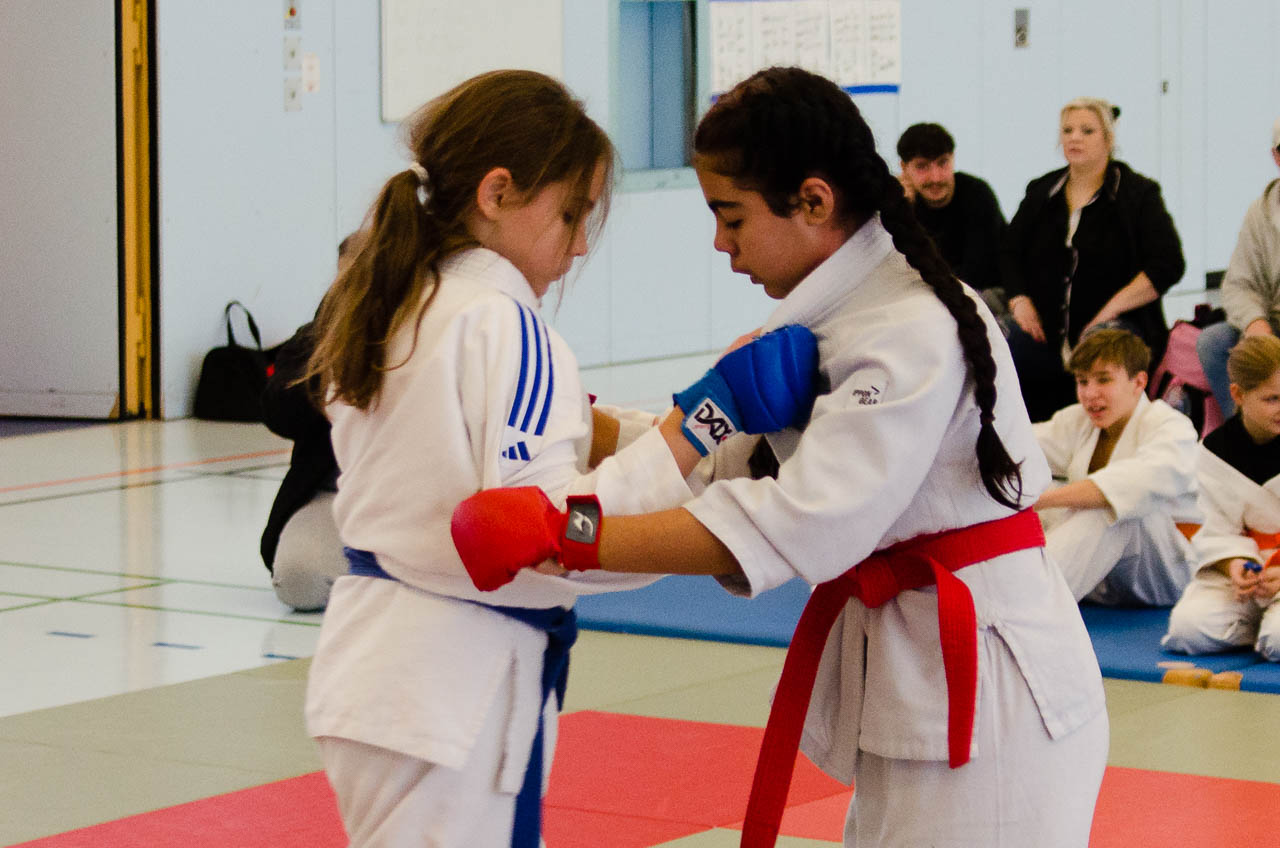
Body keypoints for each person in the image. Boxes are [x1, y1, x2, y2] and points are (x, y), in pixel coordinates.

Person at [453, 67, 1109, 848]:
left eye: (731, 216)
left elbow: (800, 521)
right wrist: (575, 422)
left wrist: (568, 535)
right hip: (921, 680)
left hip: (994, 700)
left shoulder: (908, 327)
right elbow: (717, 467)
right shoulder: (831, 320)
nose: (719, 243)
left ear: (815, 202)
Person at [300, 69, 820, 848]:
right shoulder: (502, 322)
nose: (578, 245)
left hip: (381, 671)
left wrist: (691, 447)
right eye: (571, 213)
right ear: (497, 193)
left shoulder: (400, 299)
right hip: (457, 684)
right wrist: (704, 421)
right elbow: (546, 533)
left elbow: (530, 489)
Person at [1000, 97, 1185, 422]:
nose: (1075, 138)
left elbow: (1167, 263)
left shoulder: (1138, 194)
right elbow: (1008, 251)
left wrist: (1110, 311)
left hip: (1117, 324)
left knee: (1102, 351)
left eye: (1087, 131)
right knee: (996, 343)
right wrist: (1018, 299)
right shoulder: (1042, 190)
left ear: (1108, 139)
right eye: (1067, 130)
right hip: (1045, 328)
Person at [1032, 327, 1199, 606]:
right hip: (1110, 574)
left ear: (1139, 382)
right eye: (1082, 381)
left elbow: (1131, 485)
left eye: (1104, 380)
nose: (1090, 393)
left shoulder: (1171, 427)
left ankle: (1029, 601)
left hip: (1167, 571)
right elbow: (1018, 446)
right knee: (1016, 488)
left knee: (1114, 508)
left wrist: (1040, 500)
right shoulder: (1078, 421)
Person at [1164, 335, 1280, 660]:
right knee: (1187, 629)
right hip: (1249, 575)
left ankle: (1270, 628)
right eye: (1272, 399)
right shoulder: (1214, 452)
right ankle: (1262, 625)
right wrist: (1235, 565)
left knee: (1278, 639)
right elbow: (1213, 530)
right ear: (1238, 395)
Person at [259, 234, 358, 612]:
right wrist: (327, 372)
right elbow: (277, 413)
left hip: (415, 503)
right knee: (299, 581)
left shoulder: (434, 334)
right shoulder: (316, 337)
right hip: (334, 497)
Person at [1196, 117, 1280, 418]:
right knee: (1213, 342)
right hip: (1273, 323)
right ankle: (1246, 429)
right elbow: (1238, 285)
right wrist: (1255, 323)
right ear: (1276, 157)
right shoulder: (1262, 211)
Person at [896, 122, 1006, 301]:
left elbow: (977, 273)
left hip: (982, 295)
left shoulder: (977, 194)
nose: (935, 178)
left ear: (953, 159)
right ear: (904, 168)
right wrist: (902, 210)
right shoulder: (903, 204)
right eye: (922, 166)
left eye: (943, 163)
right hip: (928, 297)